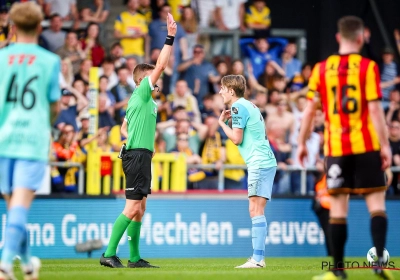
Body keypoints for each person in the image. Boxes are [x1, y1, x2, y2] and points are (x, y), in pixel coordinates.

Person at [297, 16, 393, 280]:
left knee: (338, 209)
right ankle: (380, 263)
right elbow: (374, 109)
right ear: (361, 38)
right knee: (376, 205)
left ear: (339, 38)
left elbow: (309, 111)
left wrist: (302, 142)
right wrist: (385, 146)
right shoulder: (368, 67)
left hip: (337, 148)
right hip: (367, 146)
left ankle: (338, 272)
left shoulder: (320, 69)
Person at [100, 12, 177, 269]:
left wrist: (133, 138)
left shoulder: (145, 102)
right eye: (153, 76)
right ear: (144, 80)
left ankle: (133, 258)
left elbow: (124, 127)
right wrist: (170, 37)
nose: (158, 79)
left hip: (140, 154)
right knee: (133, 207)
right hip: (137, 156)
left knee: (140, 208)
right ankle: (108, 253)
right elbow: (162, 66)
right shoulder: (142, 92)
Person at [0, 2, 61, 279]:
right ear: (39, 27)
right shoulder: (50, 61)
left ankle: (26, 265)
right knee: (20, 207)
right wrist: (43, 124)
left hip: (4, 139)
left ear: (11, 28)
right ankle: (3, 263)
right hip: (32, 141)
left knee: (14, 207)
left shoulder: (1, 58)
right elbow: (55, 106)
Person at [218, 75, 277, 268]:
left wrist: (221, 124)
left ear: (231, 91)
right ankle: (258, 258)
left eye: (222, 88)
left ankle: (258, 259)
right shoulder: (250, 105)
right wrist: (229, 124)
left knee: (255, 209)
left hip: (259, 163)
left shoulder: (237, 107)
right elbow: (245, 135)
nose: (220, 92)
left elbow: (236, 139)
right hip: (264, 161)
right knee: (256, 209)